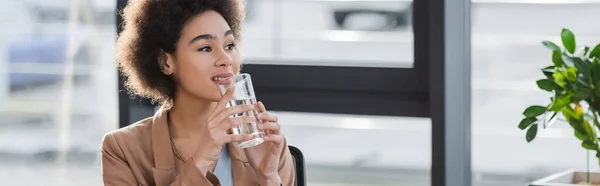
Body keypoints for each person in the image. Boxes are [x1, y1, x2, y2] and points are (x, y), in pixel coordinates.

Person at [101, 0, 294, 185]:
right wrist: (202, 160)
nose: (225, 59)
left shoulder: (266, 142)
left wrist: (268, 177)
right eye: (205, 48)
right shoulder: (122, 149)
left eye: (229, 46)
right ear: (165, 62)